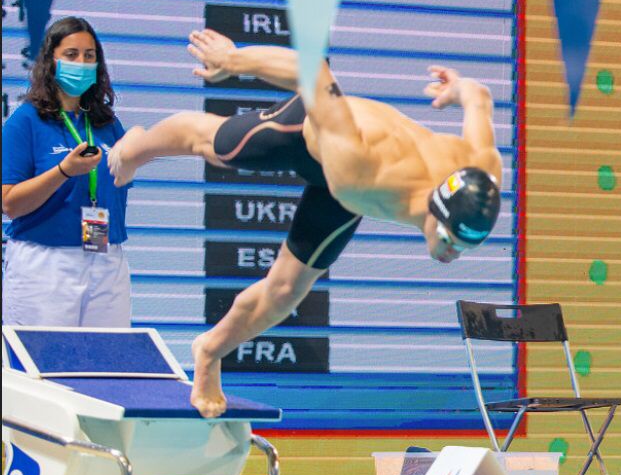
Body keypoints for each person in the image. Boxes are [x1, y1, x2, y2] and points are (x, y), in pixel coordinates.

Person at [108, 28, 502, 416]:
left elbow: (479, 97)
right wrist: (232, 59)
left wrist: (456, 88)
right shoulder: (361, 168)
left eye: (466, 248)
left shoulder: (484, 172)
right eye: (450, 240)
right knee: (211, 146)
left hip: (348, 193)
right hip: (313, 139)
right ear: (436, 208)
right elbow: (315, 74)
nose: (453, 254)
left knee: (285, 292)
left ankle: (210, 350)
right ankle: (136, 147)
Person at [2, 16, 131, 327]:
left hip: (105, 257)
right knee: (42, 367)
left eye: (89, 56)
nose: (82, 63)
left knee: (107, 365)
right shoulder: (26, 121)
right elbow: (9, 204)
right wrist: (63, 171)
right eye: (71, 55)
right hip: (45, 264)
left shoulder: (107, 122)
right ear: (51, 60)